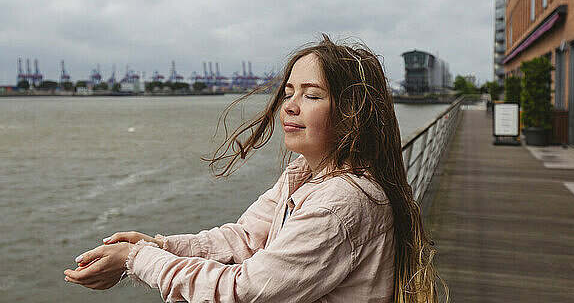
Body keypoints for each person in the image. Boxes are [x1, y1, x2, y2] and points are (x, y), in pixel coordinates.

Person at [64, 35, 444, 302]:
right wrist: (156, 245)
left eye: (312, 95)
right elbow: (246, 238)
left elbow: (242, 292)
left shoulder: (340, 203)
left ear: (352, 113)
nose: (290, 106)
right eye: (289, 92)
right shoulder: (304, 173)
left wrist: (137, 261)